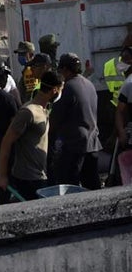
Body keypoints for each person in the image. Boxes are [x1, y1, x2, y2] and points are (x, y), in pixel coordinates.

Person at [0, 71, 61, 202]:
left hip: (40, 175)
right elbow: (6, 141)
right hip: (27, 178)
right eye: (61, 89)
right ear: (55, 90)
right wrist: (2, 175)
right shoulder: (28, 112)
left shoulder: (44, 109)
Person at [50, 52, 102, 188]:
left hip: (74, 146)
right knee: (93, 187)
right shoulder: (89, 84)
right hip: (92, 144)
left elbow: (56, 117)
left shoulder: (68, 87)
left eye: (60, 69)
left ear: (65, 69)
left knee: (69, 187)